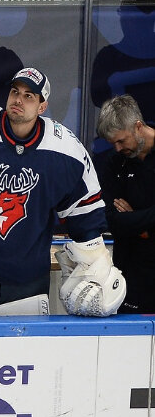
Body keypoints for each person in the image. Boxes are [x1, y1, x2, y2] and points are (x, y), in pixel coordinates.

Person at [0, 68, 126, 317]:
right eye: (15, 92)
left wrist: (98, 266)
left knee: (21, 357)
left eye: (29, 96)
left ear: (42, 107)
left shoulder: (67, 153)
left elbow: (87, 223)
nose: (18, 100)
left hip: (25, 288)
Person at [94, 94, 155, 313]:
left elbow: (124, 222)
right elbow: (110, 220)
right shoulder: (115, 163)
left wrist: (133, 221)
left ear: (138, 127)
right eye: (113, 144)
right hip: (128, 278)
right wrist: (146, 226)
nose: (118, 148)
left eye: (121, 141)